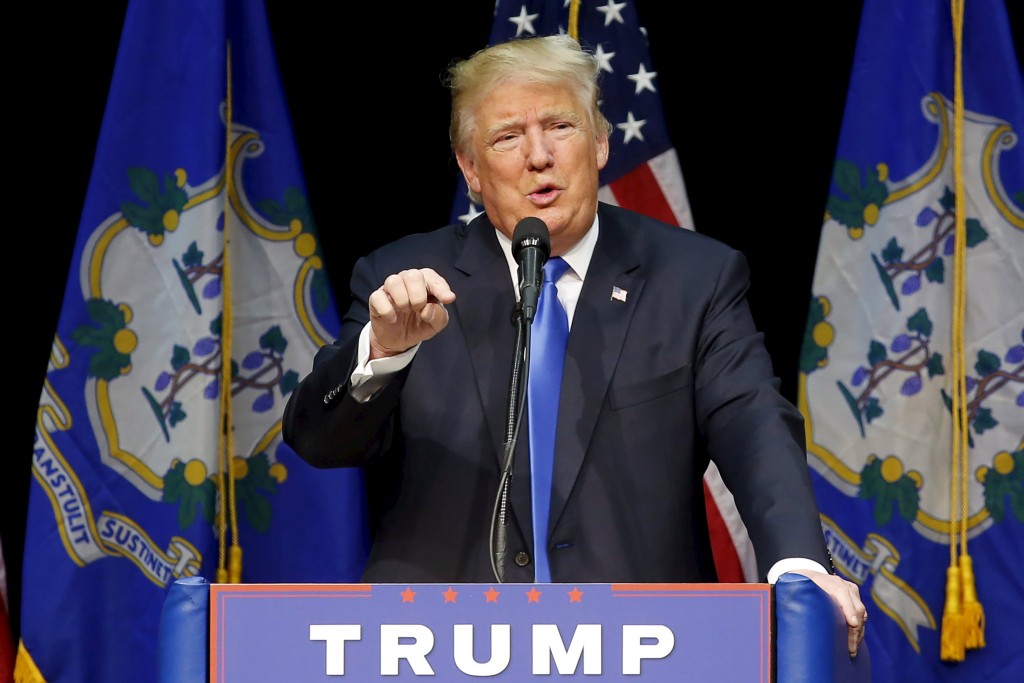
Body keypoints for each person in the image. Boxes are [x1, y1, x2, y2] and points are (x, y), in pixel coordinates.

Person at [282, 33, 866, 656]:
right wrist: (385, 352)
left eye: (559, 125)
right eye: (507, 136)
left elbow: (754, 427)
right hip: (435, 645)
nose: (539, 156)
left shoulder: (693, 278)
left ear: (600, 142)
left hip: (646, 646)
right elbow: (319, 441)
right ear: (471, 169)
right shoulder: (403, 277)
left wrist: (797, 568)